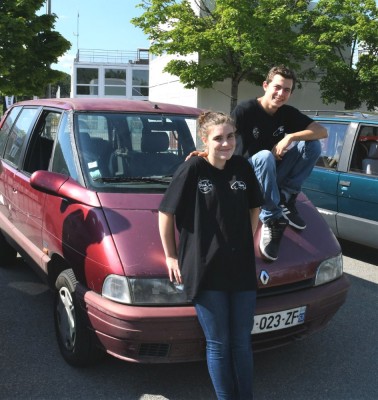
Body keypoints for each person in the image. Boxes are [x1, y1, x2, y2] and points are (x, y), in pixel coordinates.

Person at [159, 111, 264, 400]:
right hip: (205, 267)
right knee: (219, 343)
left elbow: (255, 207)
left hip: (241, 266)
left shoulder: (242, 167)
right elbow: (166, 213)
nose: (226, 143)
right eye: (218, 138)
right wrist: (170, 256)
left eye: (230, 136)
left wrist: (246, 239)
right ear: (205, 140)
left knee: (242, 342)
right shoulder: (193, 168)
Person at [231, 65, 328, 261]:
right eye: (277, 87)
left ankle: (285, 196)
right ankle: (271, 217)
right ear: (265, 85)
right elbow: (224, 137)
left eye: (287, 90)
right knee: (266, 156)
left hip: (274, 175)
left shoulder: (287, 113)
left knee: (313, 145)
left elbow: (322, 131)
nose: (281, 93)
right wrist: (206, 154)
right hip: (249, 178)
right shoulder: (245, 110)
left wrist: (290, 137)